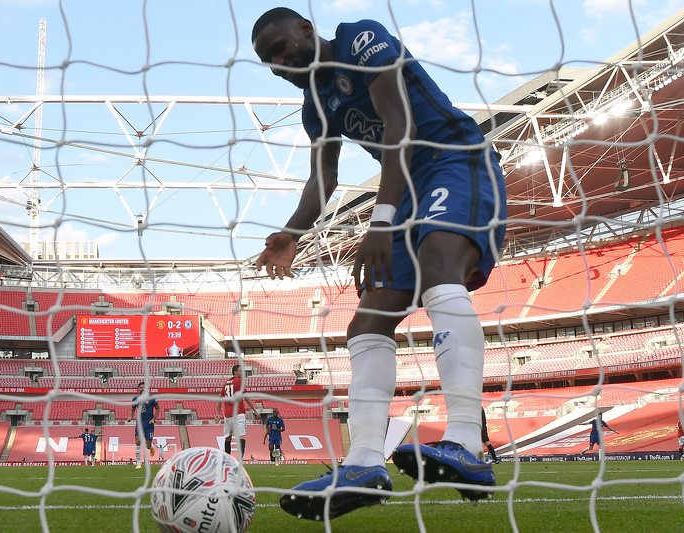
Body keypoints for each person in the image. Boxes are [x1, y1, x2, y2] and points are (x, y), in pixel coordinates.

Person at [252, 7, 506, 520]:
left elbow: (399, 122)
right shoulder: (315, 105)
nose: (278, 61)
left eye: (281, 47)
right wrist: (291, 235)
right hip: (407, 193)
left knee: (439, 266)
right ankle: (366, 463)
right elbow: (322, 179)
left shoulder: (361, 39)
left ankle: (465, 445)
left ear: (306, 29)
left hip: (453, 160)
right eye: (268, 60)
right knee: (366, 322)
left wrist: (382, 221)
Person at [215, 364, 259, 462]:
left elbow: (219, 397)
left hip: (227, 415)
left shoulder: (226, 383)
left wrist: (218, 413)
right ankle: (240, 460)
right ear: (235, 372)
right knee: (241, 436)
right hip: (238, 413)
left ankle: (227, 460)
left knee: (228, 438)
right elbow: (246, 396)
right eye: (240, 371)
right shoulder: (239, 381)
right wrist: (254, 410)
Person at [128, 382, 160, 469]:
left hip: (149, 424)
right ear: (138, 389)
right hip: (139, 423)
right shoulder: (135, 399)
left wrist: (153, 419)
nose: (142, 389)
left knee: (147, 445)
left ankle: (151, 446)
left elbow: (158, 409)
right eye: (141, 387)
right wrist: (131, 416)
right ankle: (138, 463)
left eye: (144, 387)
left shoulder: (151, 398)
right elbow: (133, 409)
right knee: (137, 442)